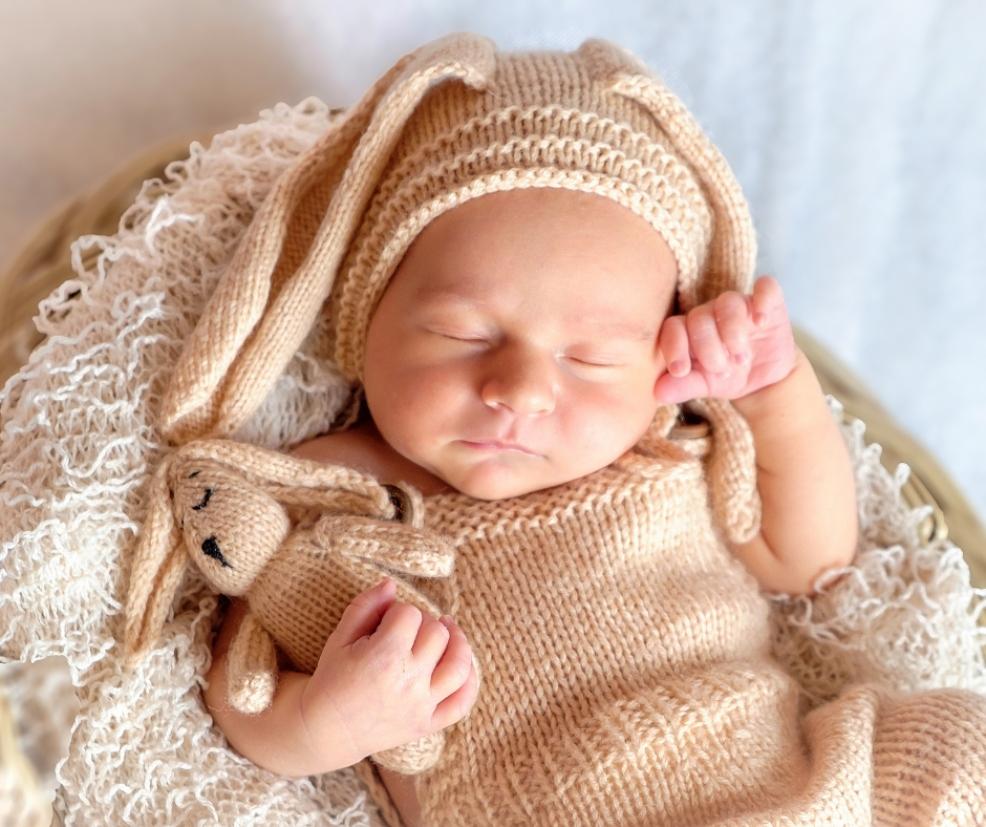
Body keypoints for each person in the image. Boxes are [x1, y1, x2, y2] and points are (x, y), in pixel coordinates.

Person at [179, 32, 986, 826]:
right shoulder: (331, 490)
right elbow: (240, 692)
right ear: (365, 319)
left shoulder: (666, 447)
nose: (521, 390)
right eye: (464, 334)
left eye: (593, 358)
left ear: (657, 361)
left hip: (804, 787)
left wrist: (775, 394)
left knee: (962, 748)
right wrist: (328, 721)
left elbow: (814, 560)